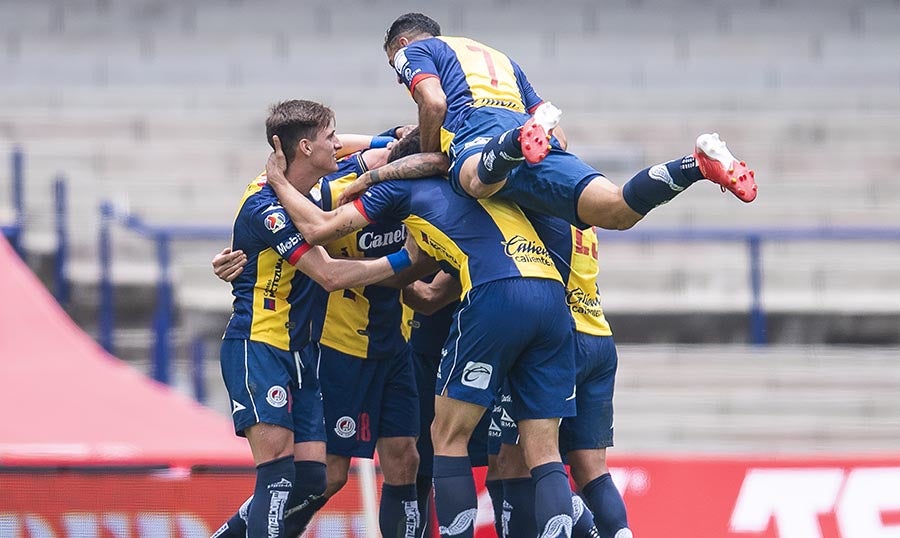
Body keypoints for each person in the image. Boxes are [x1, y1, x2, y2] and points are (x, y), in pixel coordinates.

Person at [264, 131, 580, 537]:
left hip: (479, 304)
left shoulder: (398, 191)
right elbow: (420, 284)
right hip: (551, 299)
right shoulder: (478, 184)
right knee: (543, 451)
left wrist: (279, 181)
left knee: (438, 442)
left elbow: (327, 232)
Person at [211, 99, 419, 538]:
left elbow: (387, 146)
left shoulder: (307, 189)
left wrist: (392, 138)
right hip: (259, 344)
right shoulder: (266, 206)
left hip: (299, 355)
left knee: (314, 478)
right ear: (305, 147)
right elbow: (328, 274)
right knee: (279, 476)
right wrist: (405, 261)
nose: (339, 144)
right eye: (330, 137)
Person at [376, 12, 757, 231]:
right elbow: (560, 135)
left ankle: (511, 145)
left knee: (474, 181)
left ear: (403, 45)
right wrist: (533, 134)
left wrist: (428, 156)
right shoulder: (501, 59)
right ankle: (697, 165)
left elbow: (434, 102)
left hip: (483, 131)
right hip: (529, 134)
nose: (398, 77)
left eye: (395, 62)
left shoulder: (417, 51)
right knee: (615, 211)